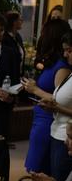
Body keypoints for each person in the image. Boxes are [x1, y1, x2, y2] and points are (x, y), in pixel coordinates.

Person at [22, 19, 72, 173]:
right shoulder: (54, 63)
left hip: (50, 122)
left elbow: (59, 99)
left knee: (43, 174)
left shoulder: (62, 67)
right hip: (44, 121)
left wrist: (35, 90)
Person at [36, 32, 72, 181]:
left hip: (66, 137)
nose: (65, 54)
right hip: (57, 132)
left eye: (69, 50)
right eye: (64, 50)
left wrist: (55, 107)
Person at [3, 11, 25, 77]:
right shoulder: (5, 38)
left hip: (18, 76)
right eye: (20, 19)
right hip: (8, 77)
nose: (22, 21)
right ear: (14, 22)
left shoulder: (18, 36)